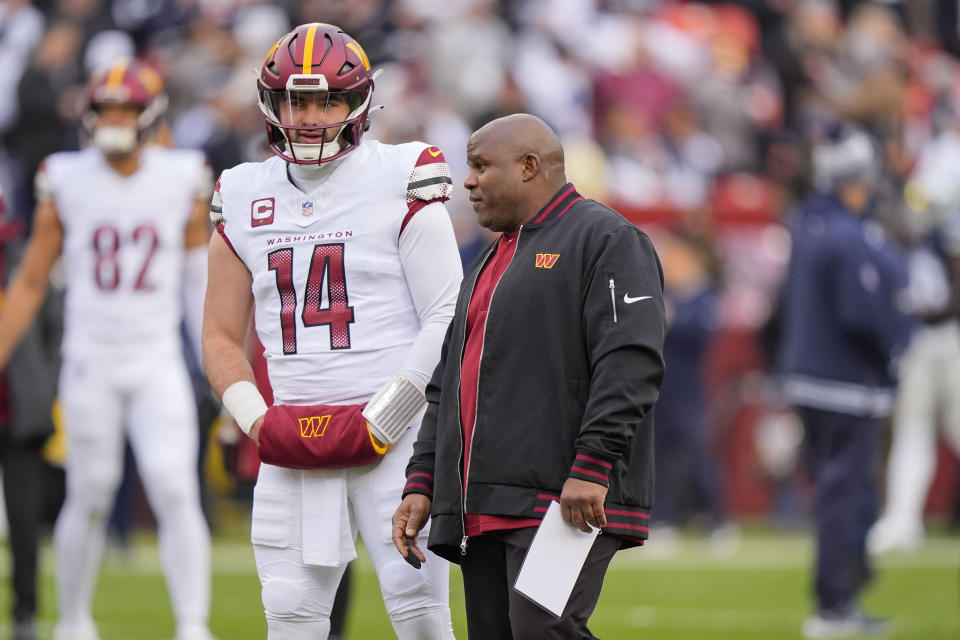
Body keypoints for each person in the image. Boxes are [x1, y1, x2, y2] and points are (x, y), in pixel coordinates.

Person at [202, 23, 461, 640]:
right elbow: (218, 333)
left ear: (359, 102)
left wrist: (390, 413)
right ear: (272, 104)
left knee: (421, 618)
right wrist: (256, 418)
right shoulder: (242, 194)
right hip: (293, 439)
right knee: (291, 619)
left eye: (328, 100)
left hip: (398, 438)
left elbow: (449, 312)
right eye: (297, 100)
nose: (312, 116)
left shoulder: (403, 172)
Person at [392, 113, 667, 639]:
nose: (466, 181)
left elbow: (631, 360)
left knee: (544, 630)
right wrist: (424, 479)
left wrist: (592, 464)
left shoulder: (607, 237)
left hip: (563, 498)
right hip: (485, 502)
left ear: (528, 166)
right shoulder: (490, 258)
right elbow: (448, 382)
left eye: (479, 166)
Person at [0, 59, 216, 640]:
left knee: (174, 483)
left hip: (156, 358)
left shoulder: (182, 174)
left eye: (125, 109)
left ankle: (192, 624)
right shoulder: (66, 175)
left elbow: (199, 279)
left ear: (150, 117)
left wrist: (220, 360)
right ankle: (73, 620)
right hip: (90, 358)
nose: (114, 121)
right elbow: (29, 280)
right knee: (90, 490)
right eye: (105, 111)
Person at [776, 124, 911, 639]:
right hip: (847, 384)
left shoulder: (806, 221)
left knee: (839, 495)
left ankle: (842, 594)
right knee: (846, 497)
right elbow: (864, 314)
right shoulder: (847, 234)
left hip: (814, 379)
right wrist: (897, 343)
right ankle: (836, 604)